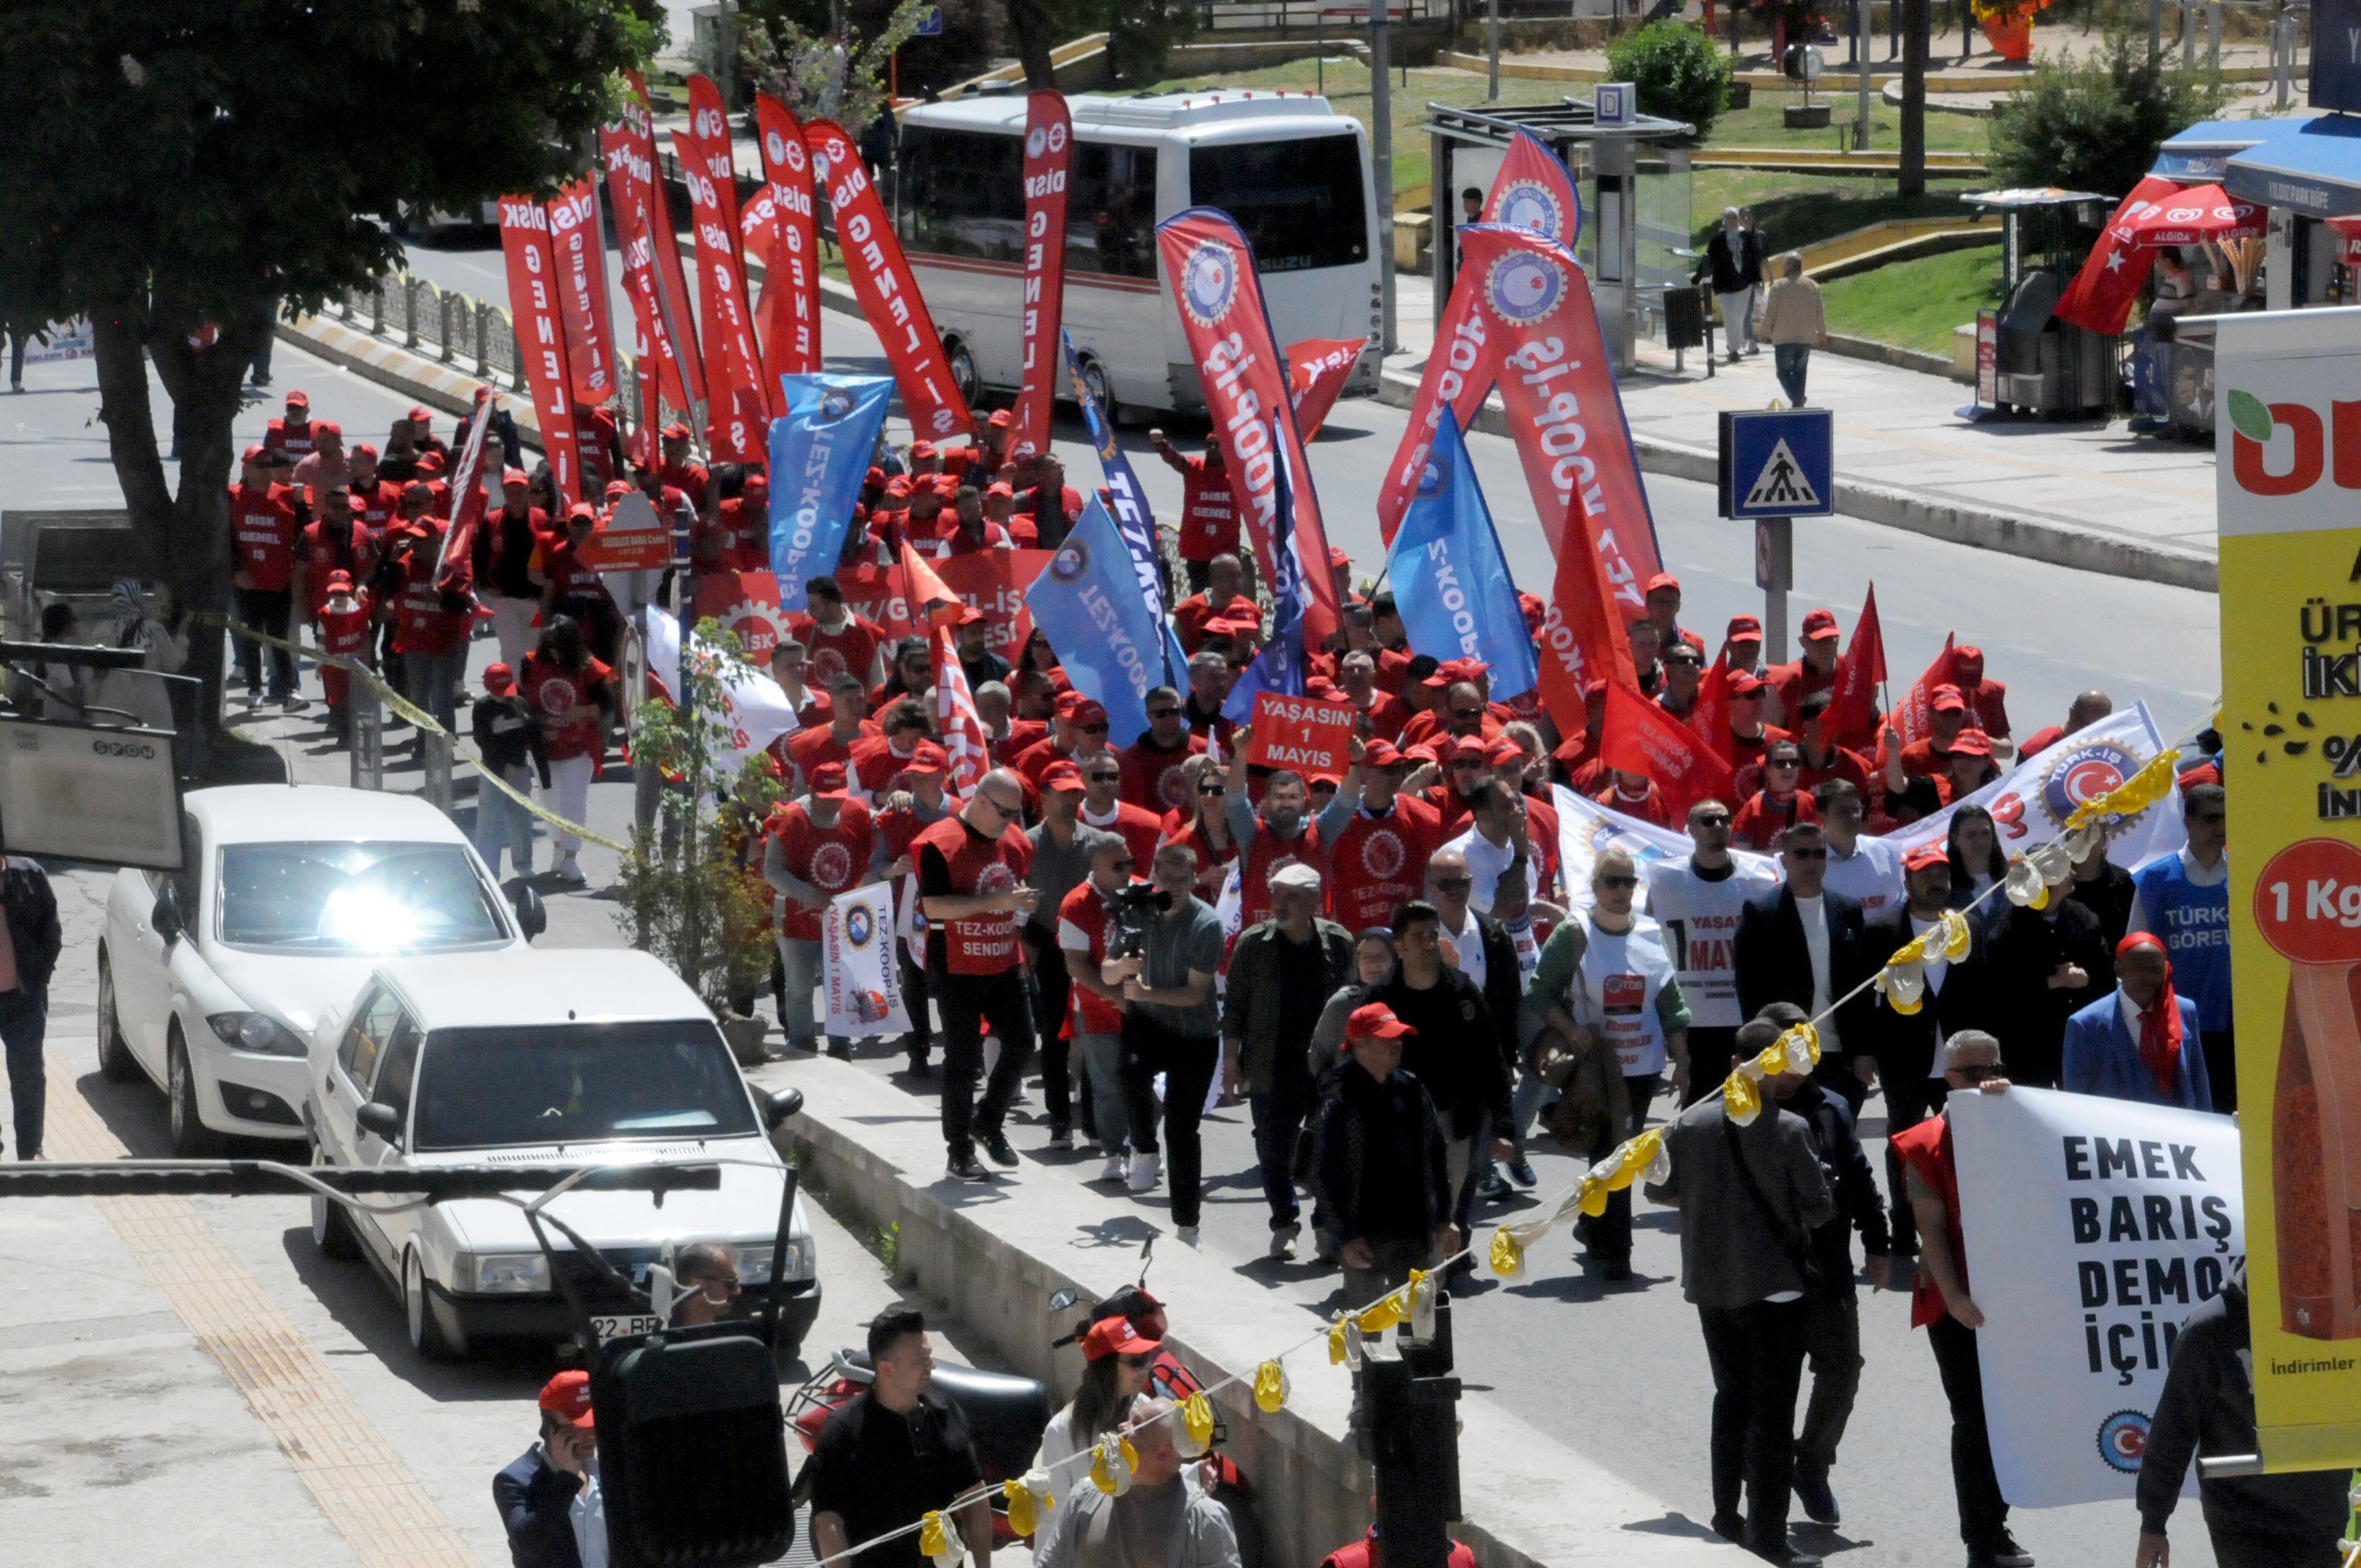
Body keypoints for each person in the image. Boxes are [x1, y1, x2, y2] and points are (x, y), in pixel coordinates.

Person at [1656, 1016, 1834, 1565]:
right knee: (1773, 1415)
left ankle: (1726, 1513)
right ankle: (1769, 1535)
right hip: (1775, 1289)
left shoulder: (1689, 1123)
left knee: (1731, 1399)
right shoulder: (1789, 1129)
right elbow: (1818, 1208)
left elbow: (1660, 1190)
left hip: (1711, 1286)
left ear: (1735, 1063)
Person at [1892, 1031, 2035, 1568]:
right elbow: (1929, 1229)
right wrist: (1954, 1297)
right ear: (1949, 1080)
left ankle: (1996, 1523)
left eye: (1994, 1069)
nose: (1986, 1081)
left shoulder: (2021, 1123)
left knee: (2012, 1416)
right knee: (1974, 1419)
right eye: (1973, 1074)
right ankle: (1982, 1537)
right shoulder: (1925, 1141)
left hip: (2019, 1298)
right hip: (1955, 1301)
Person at [1759, 1002, 1894, 1531]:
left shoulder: (1831, 1107)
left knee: (1842, 1369)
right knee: (1766, 1383)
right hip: (1760, 1272)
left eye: (1801, 1056)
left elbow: (1858, 1179)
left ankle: (1812, 1463)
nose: (1791, 1071)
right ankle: (1757, 1486)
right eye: (1781, 1057)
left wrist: (1878, 1245)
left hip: (1826, 1267)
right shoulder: (1735, 1108)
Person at [1525, 849, 1690, 1279]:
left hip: (1643, 1065)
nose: (1621, 890)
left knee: (1616, 1151)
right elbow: (1540, 993)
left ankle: (1594, 1225)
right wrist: (1571, 1029)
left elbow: (1671, 1003)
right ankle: (1617, 1250)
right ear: (1595, 886)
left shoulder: (1650, 933)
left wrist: (1683, 1061)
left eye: (1628, 882)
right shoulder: (1573, 933)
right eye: (1612, 882)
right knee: (1612, 1150)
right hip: (1595, 1068)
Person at [2133, 1263, 2353, 1567]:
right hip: (2241, 1519)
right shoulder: (2209, 1329)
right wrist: (2153, 1523)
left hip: (2321, 1513)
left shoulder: (2337, 1320)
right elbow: (2174, 1428)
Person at [1857, 843, 1989, 1256]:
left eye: (1942, 874)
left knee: (1964, 1143)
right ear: (1908, 881)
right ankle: (1903, 1225)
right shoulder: (1882, 931)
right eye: (1926, 874)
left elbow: (1986, 992)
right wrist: (1863, 1051)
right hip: (1904, 1059)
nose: (1936, 881)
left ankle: (1964, 1225)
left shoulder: (1970, 925)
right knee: (1903, 1144)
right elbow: (1864, 999)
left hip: (1959, 1062)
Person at [1223, 862, 1355, 1260]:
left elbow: (1355, 1001)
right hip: (1271, 1065)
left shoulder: (1339, 942)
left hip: (1325, 1067)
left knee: (1327, 1150)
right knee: (1272, 1149)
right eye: (1276, 895)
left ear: (1315, 901)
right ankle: (1284, 1222)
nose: (1280, 905)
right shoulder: (1254, 944)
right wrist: (1230, 1064)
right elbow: (1235, 1007)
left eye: (1292, 897)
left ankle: (1325, 1226)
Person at [915, 769, 1039, 1182]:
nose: (1010, 822)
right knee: (963, 1059)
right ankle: (959, 1150)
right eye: (1004, 813)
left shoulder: (1015, 841)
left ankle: (987, 1122)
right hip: (957, 964)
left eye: (1016, 814)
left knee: (1023, 1042)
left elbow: (1013, 891)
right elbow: (933, 907)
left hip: (1003, 958)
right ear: (981, 800)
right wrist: (993, 902)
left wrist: (1021, 903)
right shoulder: (941, 842)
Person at [808, 1306, 993, 1568]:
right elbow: (828, 1520)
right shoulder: (844, 1431)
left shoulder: (944, 1414)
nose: (932, 1366)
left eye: (929, 1356)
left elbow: (974, 1495)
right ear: (886, 1369)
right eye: (920, 1360)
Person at [1377, 902, 1512, 1246]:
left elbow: (1492, 1059)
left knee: (1448, 1207)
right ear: (1399, 946)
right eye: (1418, 937)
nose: (1428, 944)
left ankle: (1440, 1268)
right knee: (1402, 1205)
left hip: (1455, 1119)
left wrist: (1503, 1127)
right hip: (1397, 1121)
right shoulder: (1381, 998)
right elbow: (1358, 1062)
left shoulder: (1463, 992)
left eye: (1432, 935)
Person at [1113, 843, 1225, 1242]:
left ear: (1194, 880)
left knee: (1181, 1130)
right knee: (1129, 1071)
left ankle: (1188, 1223)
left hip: (1195, 1034)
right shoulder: (1139, 910)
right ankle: (1144, 1148)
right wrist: (1119, 968)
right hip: (1150, 1024)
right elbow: (1109, 969)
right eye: (1166, 879)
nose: (1173, 887)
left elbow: (1195, 994)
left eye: (1182, 880)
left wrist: (1145, 992)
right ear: (1154, 876)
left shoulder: (1206, 924)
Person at [1314, 1001, 1458, 1304]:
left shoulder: (1411, 1088)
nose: (1397, 1044)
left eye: (1398, 1037)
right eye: (1387, 1038)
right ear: (1360, 1045)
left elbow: (1435, 1156)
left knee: (1420, 1319)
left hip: (1413, 1230)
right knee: (1367, 1320)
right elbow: (1325, 1174)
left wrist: (1445, 1218)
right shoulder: (1338, 1099)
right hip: (1364, 1236)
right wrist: (1345, 1237)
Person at [1648, 799, 1780, 1102]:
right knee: (1698, 1105)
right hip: (1693, 1018)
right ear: (1691, 829)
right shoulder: (1666, 880)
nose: (1718, 826)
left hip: (1744, 1013)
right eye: (1708, 821)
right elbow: (1650, 941)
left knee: (1750, 1103)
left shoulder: (1759, 877)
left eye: (1724, 819)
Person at [1735, 822, 1873, 1107]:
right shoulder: (1760, 912)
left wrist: (1864, 1050)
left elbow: (1862, 986)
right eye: (1801, 854)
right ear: (1784, 860)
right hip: (1785, 1054)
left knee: (1838, 1129)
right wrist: (1760, 1051)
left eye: (1819, 854)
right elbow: (1749, 987)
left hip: (1841, 1052)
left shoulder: (1848, 909)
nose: (1811, 861)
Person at [1037, 1397, 1241, 1568]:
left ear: (1162, 1453)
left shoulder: (1204, 1519)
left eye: (1137, 1425)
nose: (1122, 1427)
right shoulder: (1083, 1498)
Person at [1027, 763, 1117, 1145]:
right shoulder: (1027, 844)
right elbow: (1015, 898)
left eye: (1076, 794)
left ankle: (1095, 1122)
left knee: (1093, 1031)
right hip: (1047, 946)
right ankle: (1060, 1120)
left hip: (1093, 950)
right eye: (1062, 793)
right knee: (1053, 1035)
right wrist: (1024, 945)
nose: (1070, 801)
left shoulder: (1099, 843)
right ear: (1044, 796)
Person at [2129, 783, 2233, 1108]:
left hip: (2236, 1020)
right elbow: (2135, 952)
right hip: (2175, 1019)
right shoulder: (2155, 879)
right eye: (2211, 819)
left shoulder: (2246, 873)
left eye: (2226, 818)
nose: (2220, 827)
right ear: (2188, 822)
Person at [766, 762, 877, 1059]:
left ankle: (840, 1041)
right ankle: (802, 1043)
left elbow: (884, 825)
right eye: (826, 798)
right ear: (812, 792)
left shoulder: (857, 812)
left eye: (838, 798)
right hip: (796, 918)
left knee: (839, 984)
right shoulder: (788, 818)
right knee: (799, 987)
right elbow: (772, 871)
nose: (833, 804)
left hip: (839, 919)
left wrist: (898, 802)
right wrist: (808, 894)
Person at [1983, 856, 2111, 1089]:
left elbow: (2104, 971)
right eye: (2063, 870)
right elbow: (1999, 992)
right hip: (2028, 1046)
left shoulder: (2083, 918)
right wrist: (2051, 981)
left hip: (2078, 1040)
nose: (2073, 873)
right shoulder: (2007, 932)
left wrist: (2086, 978)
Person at [1062, 836, 1143, 1183]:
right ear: (1095, 867)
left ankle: (1144, 1146)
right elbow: (1077, 966)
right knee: (1108, 1086)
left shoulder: (1143, 893)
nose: (1127, 872)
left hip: (1146, 1008)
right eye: (1118, 866)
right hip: (1098, 1011)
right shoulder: (1076, 904)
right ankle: (1114, 1153)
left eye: (1130, 863)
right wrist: (1116, 997)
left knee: (1150, 1084)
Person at [2061, 932, 2213, 1111]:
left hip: (2177, 1125)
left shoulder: (2185, 1011)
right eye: (2138, 968)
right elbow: (2076, 1101)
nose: (2147, 976)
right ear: (2118, 969)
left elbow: (2199, 1084)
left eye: (2155, 969)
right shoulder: (2085, 1025)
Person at [520, 616, 614, 887]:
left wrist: (582, 711)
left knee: (573, 802)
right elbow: (522, 697)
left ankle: (571, 858)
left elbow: (607, 706)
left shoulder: (592, 669)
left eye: (558, 647)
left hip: (578, 747)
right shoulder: (531, 663)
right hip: (542, 748)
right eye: (549, 646)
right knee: (549, 803)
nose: (553, 653)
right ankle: (559, 849)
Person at [228, 444, 305, 710]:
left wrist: (302, 505)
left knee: (279, 638)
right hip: (246, 581)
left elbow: (303, 534)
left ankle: (290, 691)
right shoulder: (232, 496)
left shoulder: (287, 496)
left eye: (268, 465)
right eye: (258, 465)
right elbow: (224, 538)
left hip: (279, 581)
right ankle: (254, 690)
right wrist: (236, 570)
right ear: (246, 467)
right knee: (250, 637)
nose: (264, 470)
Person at [1035, 1316, 1159, 1476]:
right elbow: (1058, 1492)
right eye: (1136, 1362)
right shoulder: (1060, 1431)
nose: (1144, 1370)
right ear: (1106, 1369)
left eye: (1146, 1359)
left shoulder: (1143, 1406)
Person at [496, 1370, 595, 1568]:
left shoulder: (613, 1469)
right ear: (548, 1426)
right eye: (575, 1427)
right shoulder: (515, 1480)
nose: (589, 1435)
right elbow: (529, 1544)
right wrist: (566, 1479)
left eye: (592, 1425)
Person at [0, 855, 59, 1161]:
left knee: (28, 1076)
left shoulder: (29, 876)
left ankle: (30, 1151)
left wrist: (39, 977)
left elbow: (52, 931)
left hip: (24, 999)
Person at [472, 663, 550, 882]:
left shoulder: (519, 703)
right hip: (493, 770)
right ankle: (489, 869)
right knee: (490, 821)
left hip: (519, 768)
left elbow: (534, 737)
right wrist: (502, 765)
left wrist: (544, 776)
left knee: (521, 818)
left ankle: (523, 863)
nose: (502, 696)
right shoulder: (482, 707)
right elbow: (482, 740)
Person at [1148, 429, 1236, 595]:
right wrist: (1161, 445)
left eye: (1217, 445)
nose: (1212, 448)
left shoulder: (1236, 476)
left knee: (1224, 597)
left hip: (1225, 554)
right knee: (1199, 596)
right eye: (1209, 445)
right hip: (1197, 552)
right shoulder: (1194, 468)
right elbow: (1176, 459)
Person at [1757, 252, 1828, 407]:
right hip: (1805, 338)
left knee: (1783, 373)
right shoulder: (1813, 286)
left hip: (1784, 338)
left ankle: (1797, 398)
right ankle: (1798, 402)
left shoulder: (1778, 287)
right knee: (1800, 371)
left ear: (1787, 267)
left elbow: (1771, 313)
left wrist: (1764, 332)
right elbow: (1819, 312)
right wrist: (1822, 334)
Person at [1694, 207, 1760, 363]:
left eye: (1734, 218)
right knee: (1730, 317)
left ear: (1738, 219)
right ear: (1725, 220)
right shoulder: (1718, 240)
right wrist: (1696, 279)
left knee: (1740, 316)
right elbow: (1708, 260)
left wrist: (1756, 279)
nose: (1732, 221)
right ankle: (1734, 350)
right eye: (1729, 218)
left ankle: (1735, 343)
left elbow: (1754, 259)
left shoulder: (1747, 237)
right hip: (1724, 286)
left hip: (1743, 284)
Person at [666, 1241, 741, 1327]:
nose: (738, 1291)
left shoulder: (729, 1332)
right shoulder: (660, 1334)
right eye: (731, 1282)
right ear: (697, 1285)